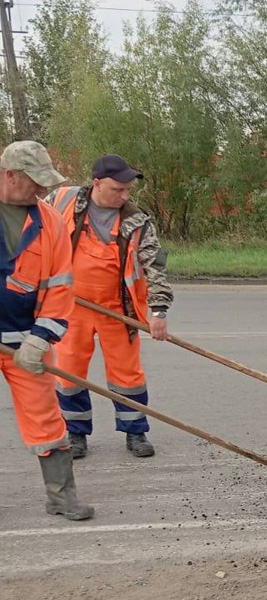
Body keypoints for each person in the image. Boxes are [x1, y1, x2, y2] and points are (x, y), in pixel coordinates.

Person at [47, 154, 173, 459]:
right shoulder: (62, 200)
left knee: (127, 375)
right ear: (97, 183)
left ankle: (135, 432)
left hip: (118, 309)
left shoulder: (136, 220)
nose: (125, 196)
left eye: (128, 190)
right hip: (71, 304)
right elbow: (30, 224)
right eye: (118, 189)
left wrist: (158, 311)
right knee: (69, 372)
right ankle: (75, 434)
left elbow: (155, 265)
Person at [0, 140, 94, 520]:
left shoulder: (50, 221)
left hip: (25, 342)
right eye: (35, 181)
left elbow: (60, 287)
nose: (42, 190)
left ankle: (61, 496)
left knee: (47, 421)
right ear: (9, 175)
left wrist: (41, 338)